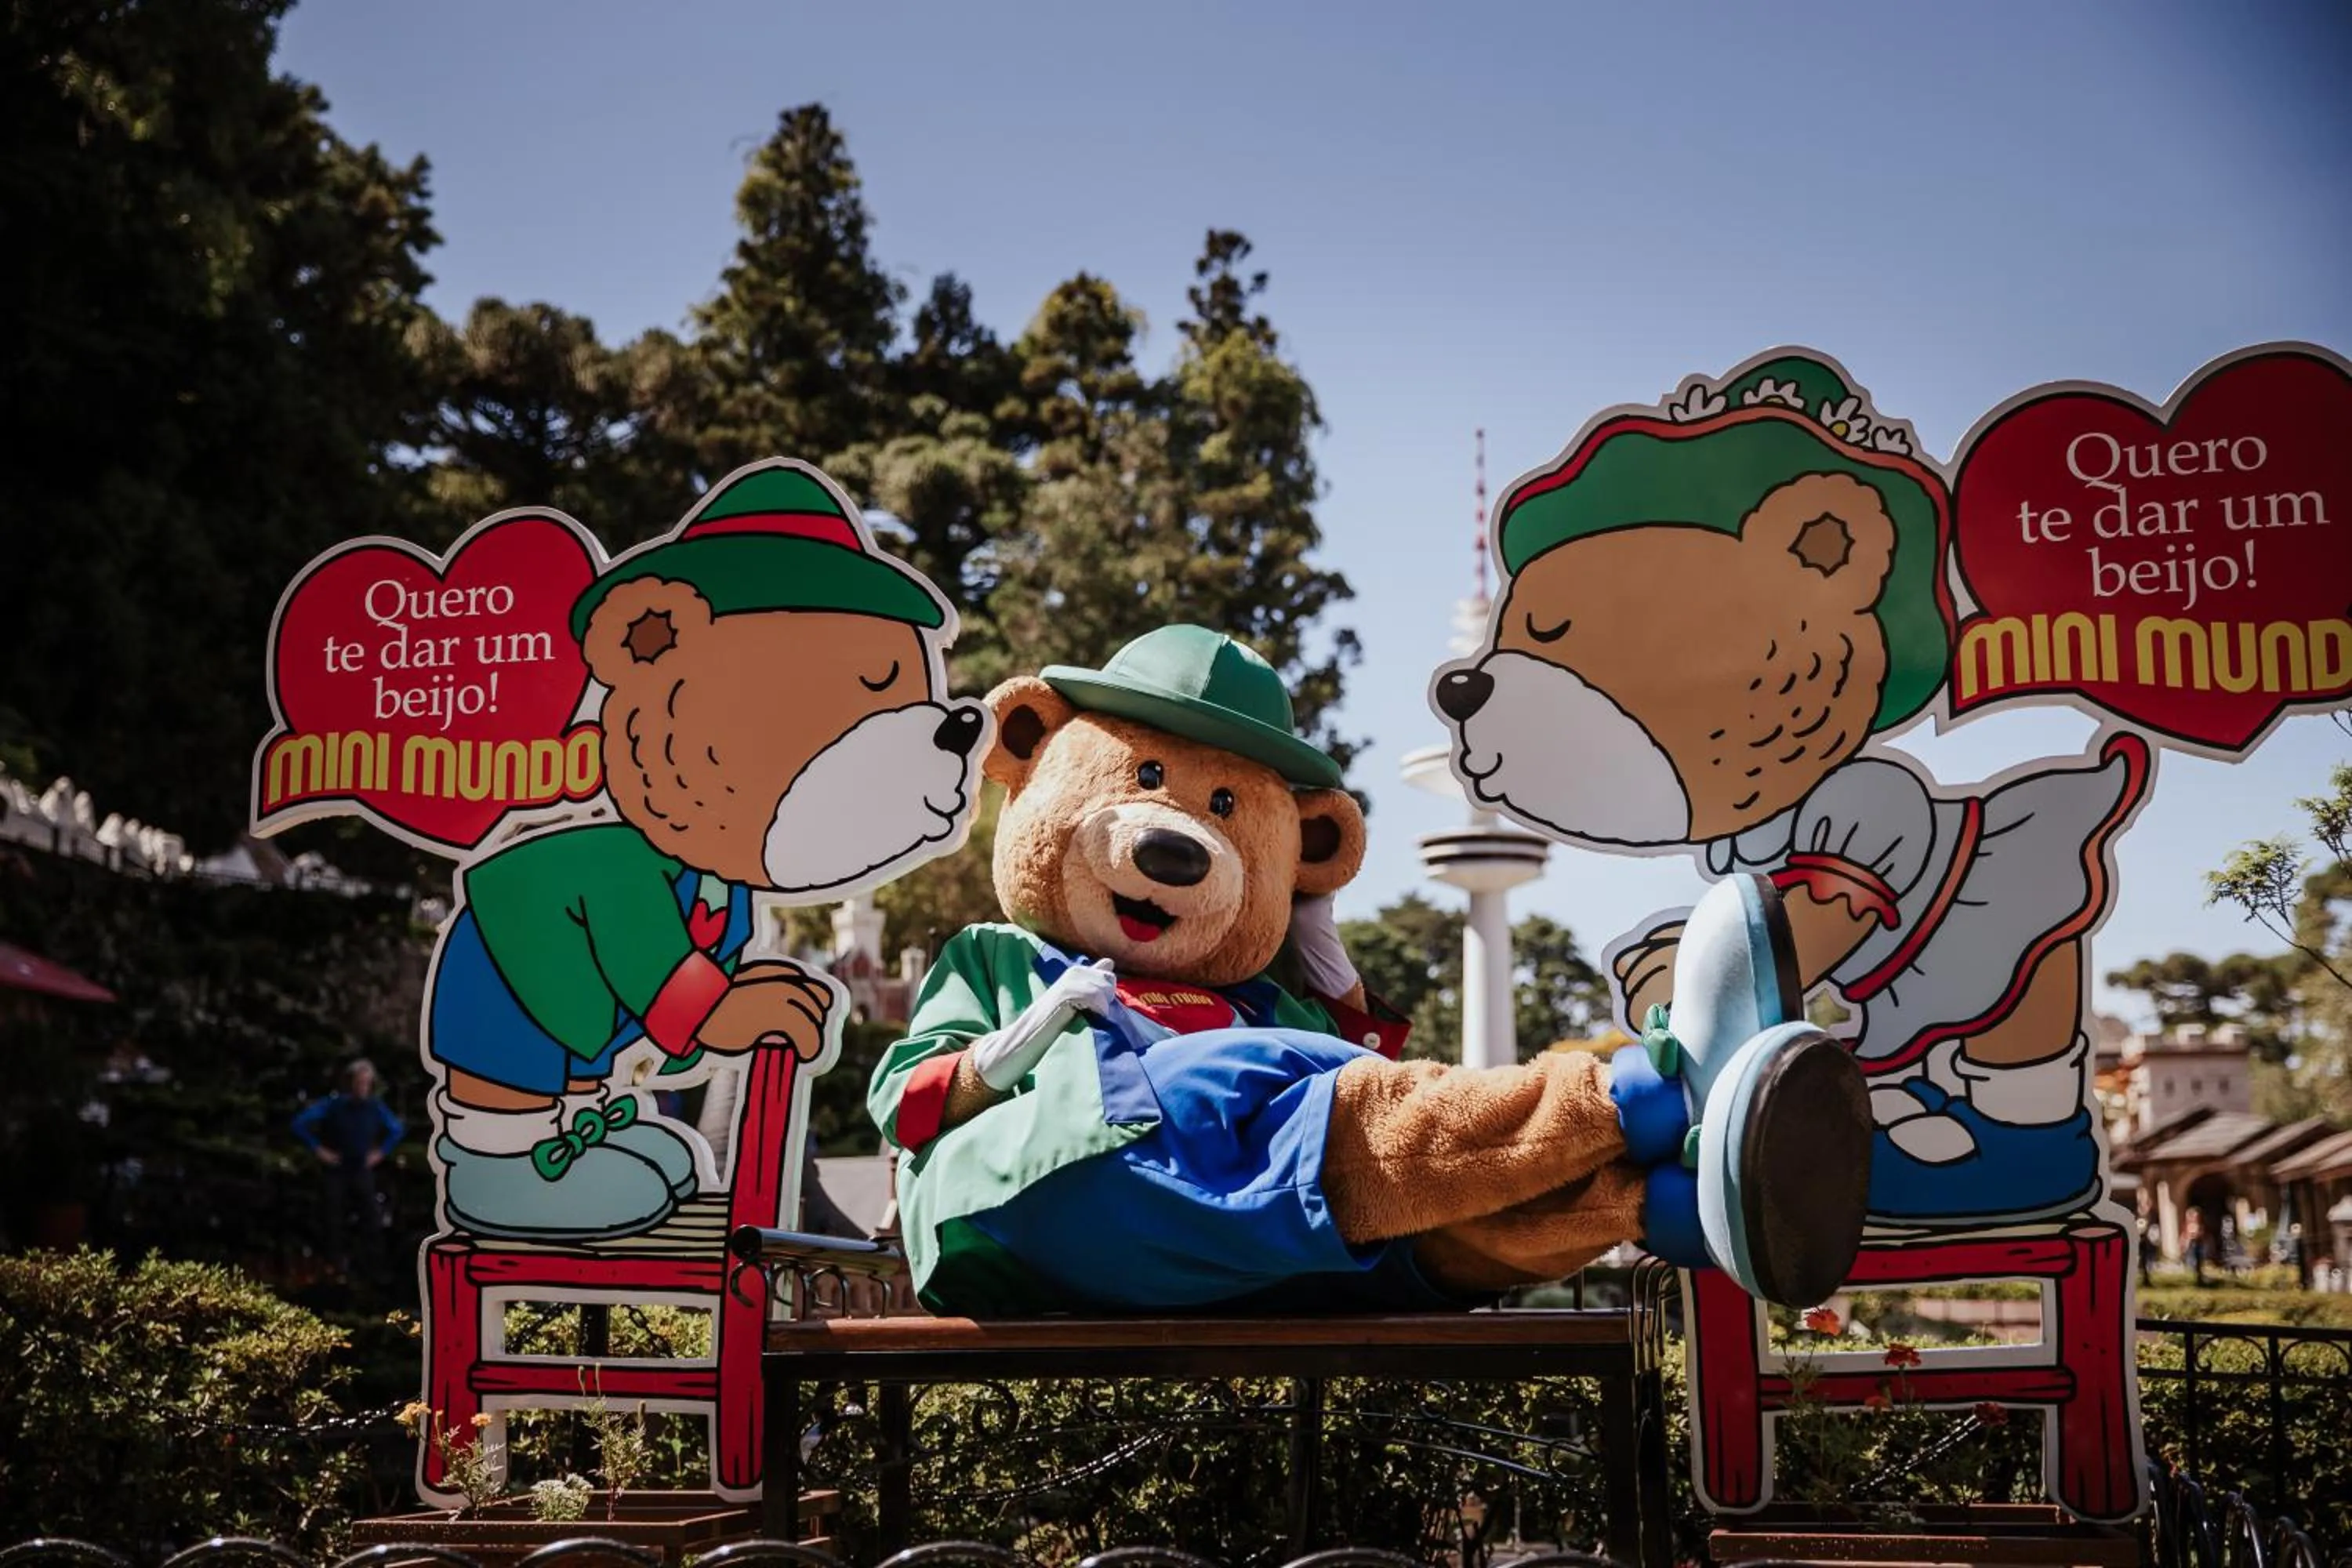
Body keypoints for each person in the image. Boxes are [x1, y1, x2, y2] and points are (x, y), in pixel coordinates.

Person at [292, 1058, 405, 1278]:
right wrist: (319, 1149)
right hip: (337, 1167)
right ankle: (334, 1264)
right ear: (351, 1082)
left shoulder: (375, 1107)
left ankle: (372, 1267)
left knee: (371, 1216)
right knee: (332, 1216)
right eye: (359, 1082)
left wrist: (381, 1152)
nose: (363, 1087)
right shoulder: (334, 1105)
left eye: (367, 1083)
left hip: (361, 1167)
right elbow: (299, 1124)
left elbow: (396, 1129)